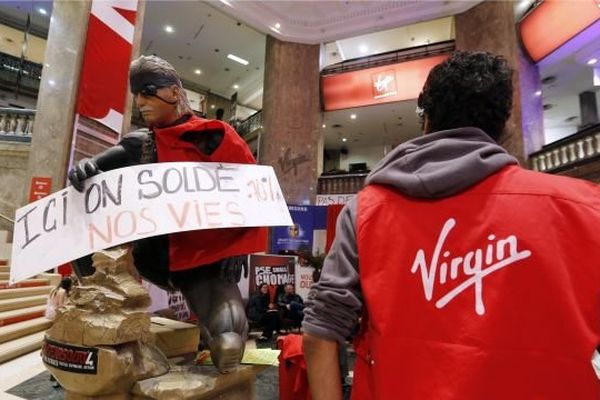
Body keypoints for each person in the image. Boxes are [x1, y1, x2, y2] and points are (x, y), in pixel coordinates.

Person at [302, 51, 600, 400]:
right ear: (504, 126)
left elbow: (319, 334)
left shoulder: (365, 212)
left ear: (425, 120)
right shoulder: (586, 210)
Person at [67, 55, 267, 373]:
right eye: (136, 94)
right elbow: (96, 167)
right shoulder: (140, 145)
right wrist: (84, 170)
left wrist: (237, 245)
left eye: (147, 91)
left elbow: (251, 192)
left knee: (227, 326)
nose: (140, 102)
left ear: (173, 93)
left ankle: (223, 343)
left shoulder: (216, 138)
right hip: (147, 251)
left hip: (200, 254)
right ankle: (95, 309)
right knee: (83, 229)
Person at [45, 277, 73, 388]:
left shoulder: (54, 289)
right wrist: (69, 302)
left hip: (51, 313)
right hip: (58, 316)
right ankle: (59, 378)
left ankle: (54, 376)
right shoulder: (62, 292)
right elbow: (62, 306)